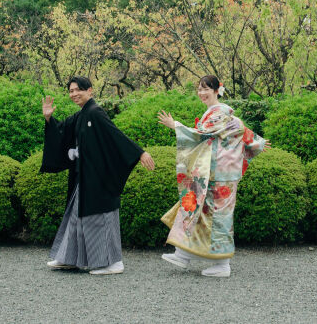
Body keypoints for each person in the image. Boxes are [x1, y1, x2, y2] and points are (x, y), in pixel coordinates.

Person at [41, 76, 155, 275]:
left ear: (90, 91)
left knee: (100, 218)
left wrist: (139, 152)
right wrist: (49, 118)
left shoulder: (95, 112)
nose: (74, 94)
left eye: (78, 90)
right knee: (75, 217)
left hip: (99, 177)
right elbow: (62, 132)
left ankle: (113, 262)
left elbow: (115, 135)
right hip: (84, 176)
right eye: (71, 91)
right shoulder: (82, 114)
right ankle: (70, 258)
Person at [157, 75, 268, 278]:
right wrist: (256, 142)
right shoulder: (225, 115)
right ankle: (182, 254)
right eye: (199, 89)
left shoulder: (219, 113)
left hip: (220, 174)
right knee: (195, 208)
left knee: (218, 218)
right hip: (215, 172)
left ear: (217, 90)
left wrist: (176, 125)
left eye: (206, 89)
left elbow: (201, 134)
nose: (201, 93)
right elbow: (241, 130)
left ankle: (221, 264)